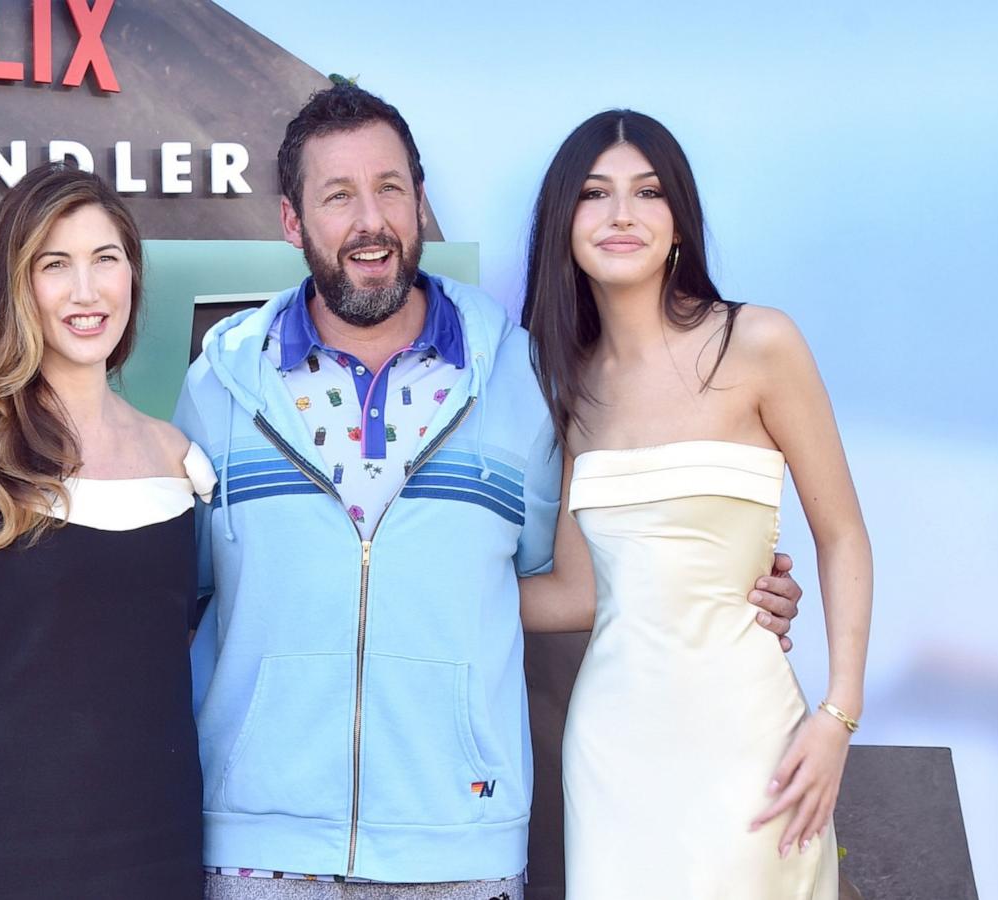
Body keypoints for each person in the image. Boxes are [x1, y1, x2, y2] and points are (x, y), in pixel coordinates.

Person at [175, 84, 805, 899]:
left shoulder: (526, 379)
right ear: (293, 221)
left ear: (420, 204)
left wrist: (726, 589)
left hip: (462, 852)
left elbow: (580, 580)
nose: (371, 220)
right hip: (258, 850)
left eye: (390, 188)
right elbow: (162, 593)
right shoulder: (219, 386)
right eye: (339, 196)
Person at [522, 110, 872, 898]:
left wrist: (838, 717)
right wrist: (421, 589)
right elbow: (579, 596)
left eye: (647, 192)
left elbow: (843, 534)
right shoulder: (571, 388)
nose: (620, 215)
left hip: (752, 745)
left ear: (678, 217)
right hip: (611, 753)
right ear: (563, 225)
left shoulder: (760, 343)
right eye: (593, 194)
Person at [0, 163, 211, 899]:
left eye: (105, 260)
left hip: (156, 839)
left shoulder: (178, 457)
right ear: (16, 286)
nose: (86, 292)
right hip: (1, 841)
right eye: (55, 265)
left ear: (132, 276)